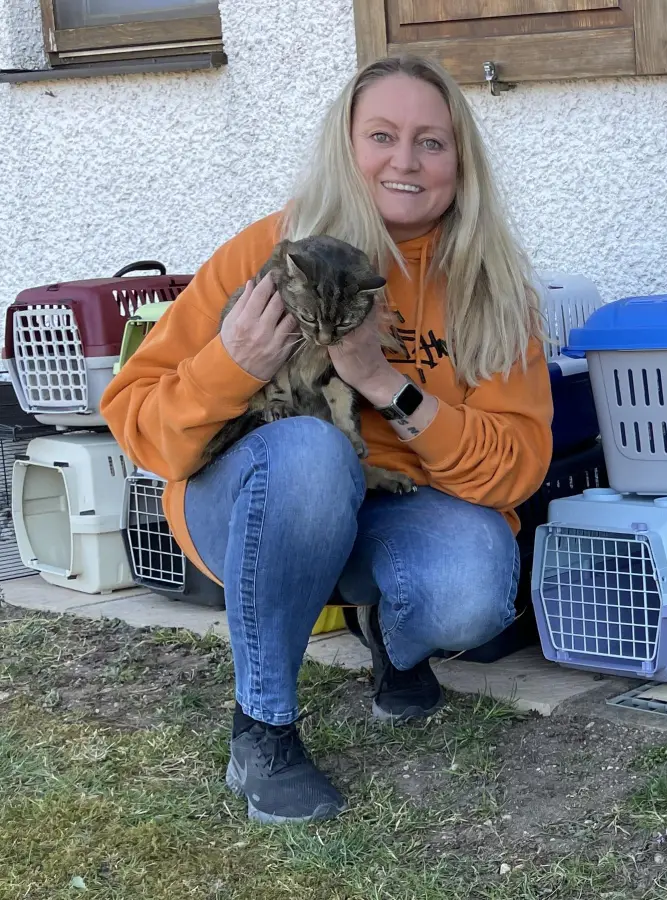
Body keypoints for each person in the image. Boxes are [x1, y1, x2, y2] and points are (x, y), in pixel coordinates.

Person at [100, 55, 555, 825]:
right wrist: (233, 363)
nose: (405, 161)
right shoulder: (272, 251)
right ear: (346, 146)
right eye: (381, 136)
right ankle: (264, 730)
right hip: (257, 498)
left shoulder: (490, 286)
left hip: (395, 503)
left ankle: (393, 642)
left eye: (431, 142)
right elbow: (137, 422)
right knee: (313, 455)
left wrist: (380, 380)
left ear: (460, 160)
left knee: (473, 585)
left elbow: (516, 469)